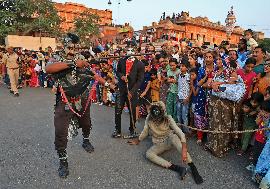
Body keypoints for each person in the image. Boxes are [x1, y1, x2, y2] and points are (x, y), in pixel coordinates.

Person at [45, 33, 113, 178]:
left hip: (82, 98)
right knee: (60, 132)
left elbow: (93, 75)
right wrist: (74, 64)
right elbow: (49, 69)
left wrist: (108, 84)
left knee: (86, 123)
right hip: (64, 100)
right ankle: (63, 162)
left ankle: (86, 140)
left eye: (75, 48)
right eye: (70, 47)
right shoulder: (57, 58)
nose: (72, 51)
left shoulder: (81, 58)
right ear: (64, 46)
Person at [128, 101, 203, 184]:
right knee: (148, 154)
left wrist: (184, 149)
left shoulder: (168, 118)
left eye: (158, 112)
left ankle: (192, 166)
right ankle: (178, 169)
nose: (156, 115)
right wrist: (138, 140)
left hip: (169, 139)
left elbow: (179, 132)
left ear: (163, 111)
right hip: (158, 143)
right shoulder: (149, 118)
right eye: (154, 112)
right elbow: (145, 131)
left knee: (174, 137)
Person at [112, 43, 145, 139]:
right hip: (121, 90)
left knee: (132, 111)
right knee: (118, 110)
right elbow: (117, 72)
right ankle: (117, 130)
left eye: (132, 49)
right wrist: (121, 76)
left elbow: (140, 80)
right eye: (128, 49)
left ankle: (132, 129)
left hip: (132, 92)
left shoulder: (140, 64)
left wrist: (132, 91)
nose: (129, 51)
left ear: (135, 51)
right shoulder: (121, 61)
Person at [176, 61, 190, 126]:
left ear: (187, 68)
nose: (181, 67)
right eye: (180, 66)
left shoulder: (188, 76)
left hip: (185, 98)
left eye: (183, 66)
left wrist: (187, 97)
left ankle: (186, 130)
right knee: (178, 114)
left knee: (184, 115)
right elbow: (179, 85)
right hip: (179, 97)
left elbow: (191, 87)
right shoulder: (178, 75)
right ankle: (179, 129)